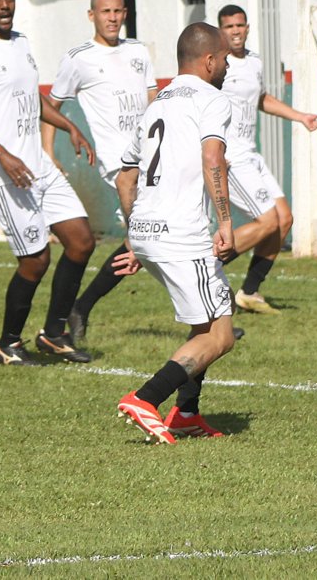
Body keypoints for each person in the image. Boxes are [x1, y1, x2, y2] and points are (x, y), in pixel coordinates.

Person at [0, 0, 105, 366]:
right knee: (35, 260)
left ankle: (54, 334)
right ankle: (8, 343)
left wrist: (68, 125)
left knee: (81, 241)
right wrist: (4, 155)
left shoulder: (21, 43)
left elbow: (29, 98)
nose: (5, 7)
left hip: (38, 165)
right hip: (5, 174)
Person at [115, 22, 240, 443]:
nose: (226, 66)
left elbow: (124, 178)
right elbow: (212, 157)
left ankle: (186, 413)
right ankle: (145, 399)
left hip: (149, 230)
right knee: (220, 336)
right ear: (208, 60)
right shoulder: (212, 99)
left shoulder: (155, 104)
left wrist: (135, 235)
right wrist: (224, 220)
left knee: (206, 319)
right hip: (182, 233)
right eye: (223, 58)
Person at [38, 0, 156, 345]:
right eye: (105, 12)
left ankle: (81, 307)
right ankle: (215, 309)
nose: (113, 18)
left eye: (118, 11)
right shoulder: (78, 58)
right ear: (92, 15)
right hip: (119, 166)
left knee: (149, 237)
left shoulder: (138, 51)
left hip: (151, 155)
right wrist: (49, 154)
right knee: (153, 235)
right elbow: (50, 107)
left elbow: (154, 100)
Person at [215, 5, 317, 315]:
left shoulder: (255, 61)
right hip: (231, 157)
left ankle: (249, 292)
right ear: (220, 31)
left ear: (247, 27)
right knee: (267, 221)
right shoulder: (215, 66)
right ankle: (206, 269)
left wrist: (300, 116)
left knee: (284, 220)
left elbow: (261, 98)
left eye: (239, 25)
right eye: (228, 26)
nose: (235, 30)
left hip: (251, 152)